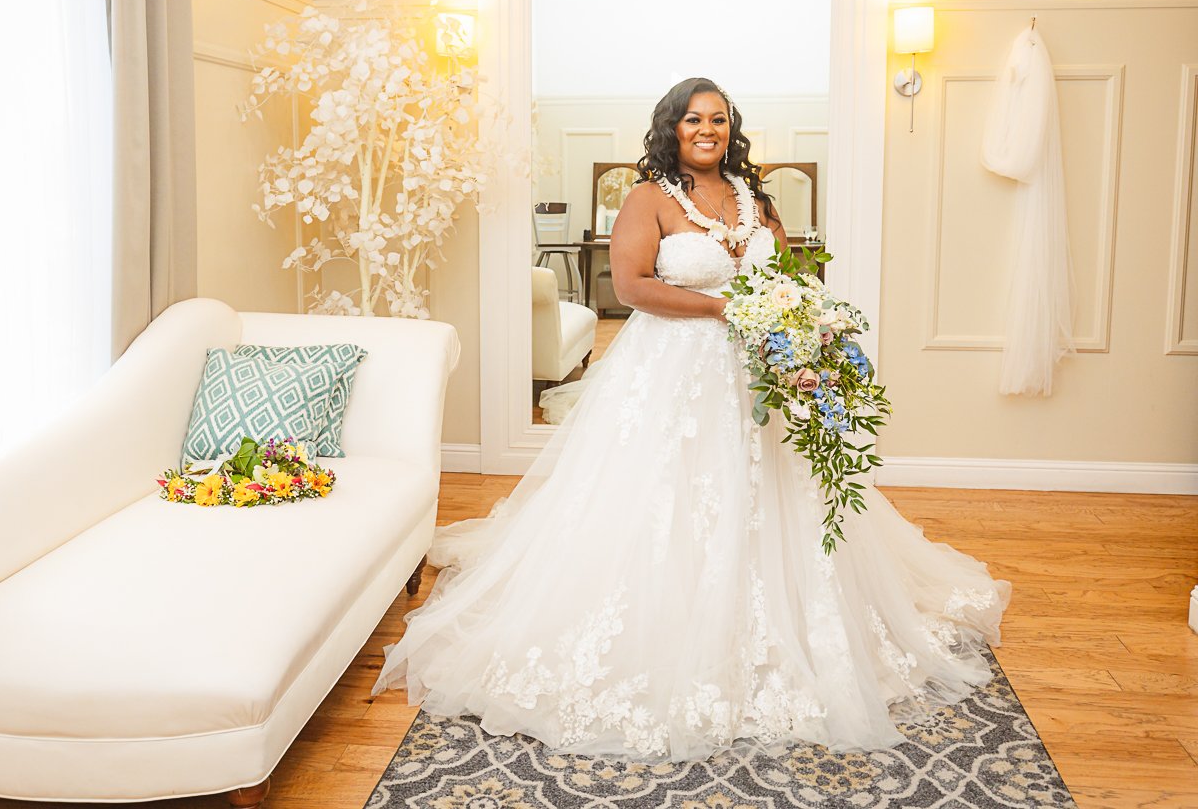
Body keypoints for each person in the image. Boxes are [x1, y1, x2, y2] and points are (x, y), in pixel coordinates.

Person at [372, 77, 1011, 763]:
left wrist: (799, 327)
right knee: (668, 496)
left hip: (756, 375)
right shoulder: (648, 197)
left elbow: (785, 276)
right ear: (671, 127)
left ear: (730, 129)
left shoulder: (754, 197)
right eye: (692, 119)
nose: (705, 129)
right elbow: (631, 287)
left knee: (768, 492)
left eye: (717, 119)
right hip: (674, 370)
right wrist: (720, 309)